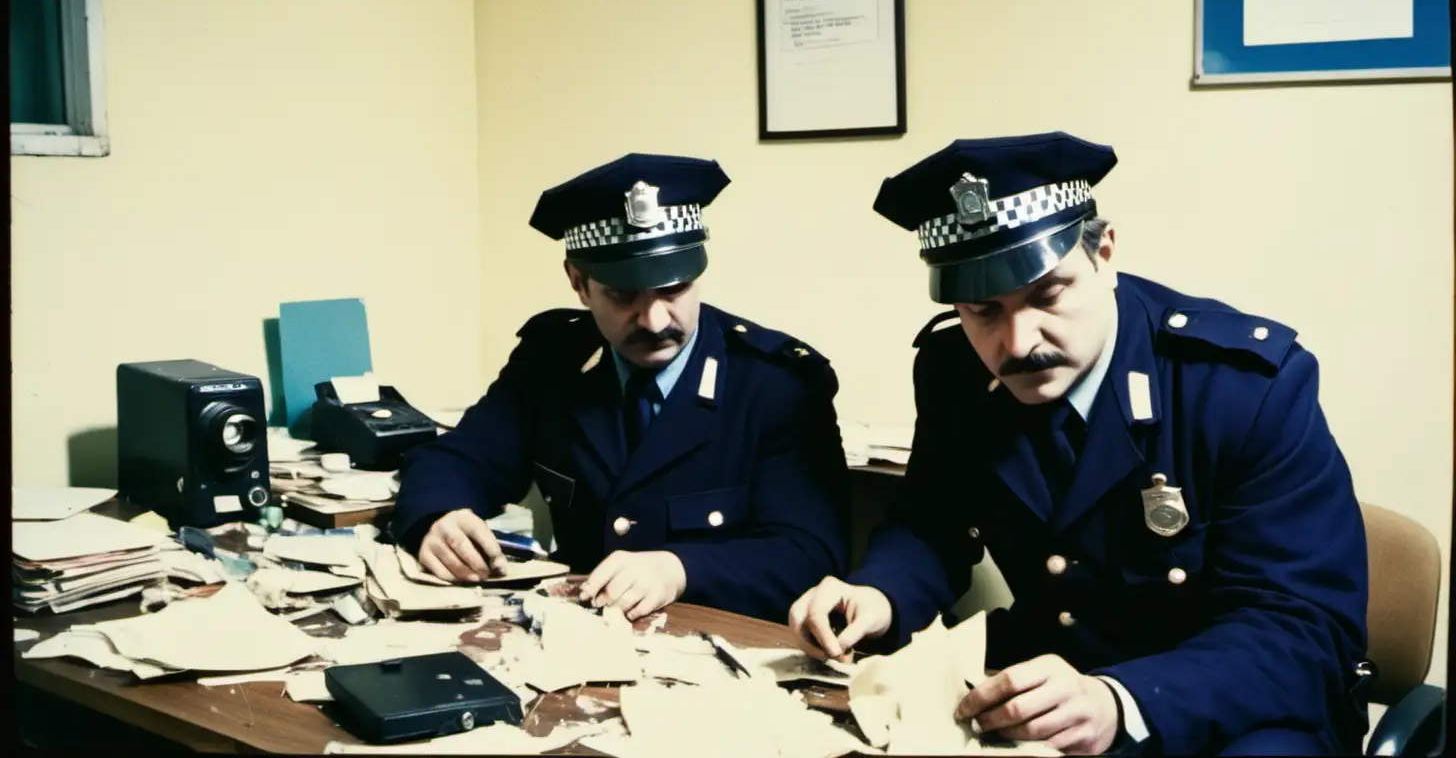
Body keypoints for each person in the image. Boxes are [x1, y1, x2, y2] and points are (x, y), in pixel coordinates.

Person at [786, 132, 1369, 755]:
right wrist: (878, 593)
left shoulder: (1241, 386)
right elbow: (933, 521)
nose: (1018, 342)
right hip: (1050, 683)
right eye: (982, 310)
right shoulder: (954, 370)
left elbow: (1301, 630)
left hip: (1231, 704)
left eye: (1048, 295)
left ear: (1104, 253)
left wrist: (1122, 700)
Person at [392, 152, 849, 624]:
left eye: (673, 290)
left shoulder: (777, 383)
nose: (654, 320)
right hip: (577, 638)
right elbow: (458, 458)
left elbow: (811, 552)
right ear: (579, 283)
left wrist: (681, 570)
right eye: (624, 295)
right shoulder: (552, 358)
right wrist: (437, 518)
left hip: (720, 642)